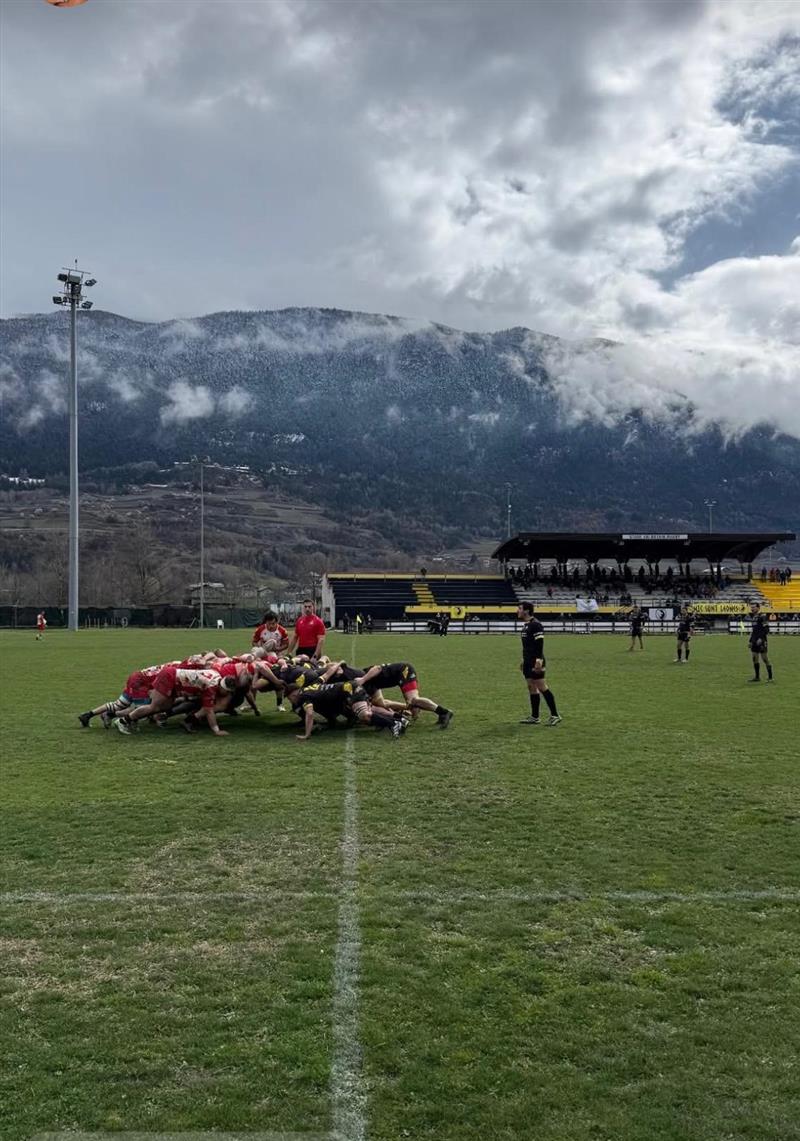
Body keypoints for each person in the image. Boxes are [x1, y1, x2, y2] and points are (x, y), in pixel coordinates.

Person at [356, 661, 453, 727]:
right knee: (413, 710)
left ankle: (444, 712)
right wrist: (393, 714)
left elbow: (377, 668)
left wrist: (363, 679)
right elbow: (381, 704)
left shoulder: (364, 676)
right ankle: (406, 711)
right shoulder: (368, 686)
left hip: (404, 671)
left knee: (414, 700)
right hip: (399, 677)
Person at [517, 602, 561, 725]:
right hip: (527, 660)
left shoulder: (536, 625)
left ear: (526, 611)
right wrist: (523, 659)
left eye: (519, 608)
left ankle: (555, 715)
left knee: (542, 687)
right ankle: (535, 717)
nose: (517, 610)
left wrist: (539, 660)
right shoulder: (526, 625)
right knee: (531, 687)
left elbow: (539, 644)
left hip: (535, 661)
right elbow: (527, 646)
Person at [747, 603, 774, 683]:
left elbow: (766, 629)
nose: (752, 609)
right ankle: (757, 677)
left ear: (758, 608)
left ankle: (770, 677)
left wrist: (761, 639)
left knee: (765, 659)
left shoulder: (763, 616)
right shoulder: (754, 617)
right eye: (751, 607)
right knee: (754, 658)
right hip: (754, 641)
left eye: (754, 607)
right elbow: (754, 631)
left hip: (762, 641)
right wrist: (750, 641)